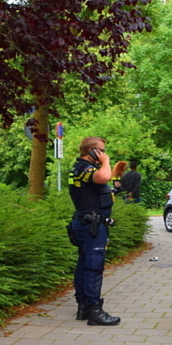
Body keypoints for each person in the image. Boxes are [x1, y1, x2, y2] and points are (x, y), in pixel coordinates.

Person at [68, 137, 121, 326]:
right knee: (93, 267)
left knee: (84, 265)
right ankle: (94, 311)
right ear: (92, 151)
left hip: (86, 223)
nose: (104, 154)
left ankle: (83, 306)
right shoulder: (85, 169)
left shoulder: (79, 168)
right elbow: (103, 177)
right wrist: (105, 162)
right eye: (102, 150)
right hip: (92, 227)